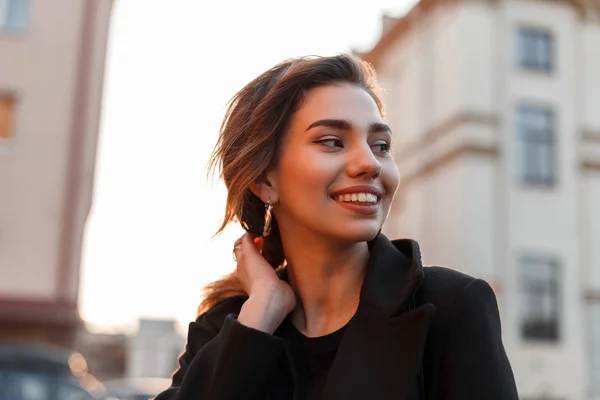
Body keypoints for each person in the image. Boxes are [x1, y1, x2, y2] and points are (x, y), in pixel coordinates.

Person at [154, 54, 518, 400]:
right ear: (265, 181)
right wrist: (261, 311)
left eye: (381, 145)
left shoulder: (451, 306)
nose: (369, 163)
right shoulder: (225, 326)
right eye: (332, 141)